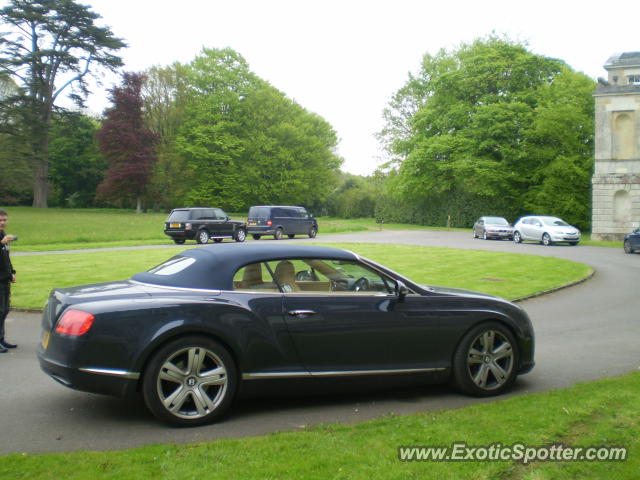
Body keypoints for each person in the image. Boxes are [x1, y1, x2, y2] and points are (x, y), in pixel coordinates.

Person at [0, 209, 17, 353]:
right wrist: (1, 243)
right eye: (0, 220)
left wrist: (11, 272)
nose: (3, 223)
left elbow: (5, 257)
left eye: (4, 220)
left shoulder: (3, 235)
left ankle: (1, 339)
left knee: (5, 309)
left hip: (4, 277)